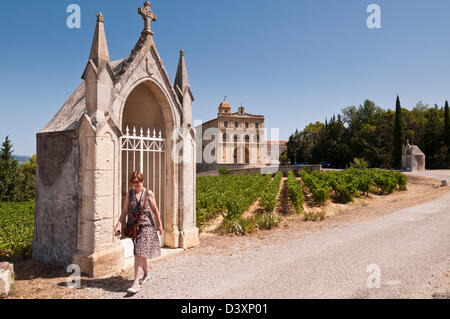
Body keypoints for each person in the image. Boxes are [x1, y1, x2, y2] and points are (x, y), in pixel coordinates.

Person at [114, 171, 163, 294]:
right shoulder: (129, 194)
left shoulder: (148, 193)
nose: (136, 184)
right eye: (134, 182)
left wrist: (160, 223)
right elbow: (125, 211)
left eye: (138, 182)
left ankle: (135, 283)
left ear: (143, 181)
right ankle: (146, 274)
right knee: (141, 252)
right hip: (134, 227)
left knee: (138, 253)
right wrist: (119, 223)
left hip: (147, 226)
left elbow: (155, 209)